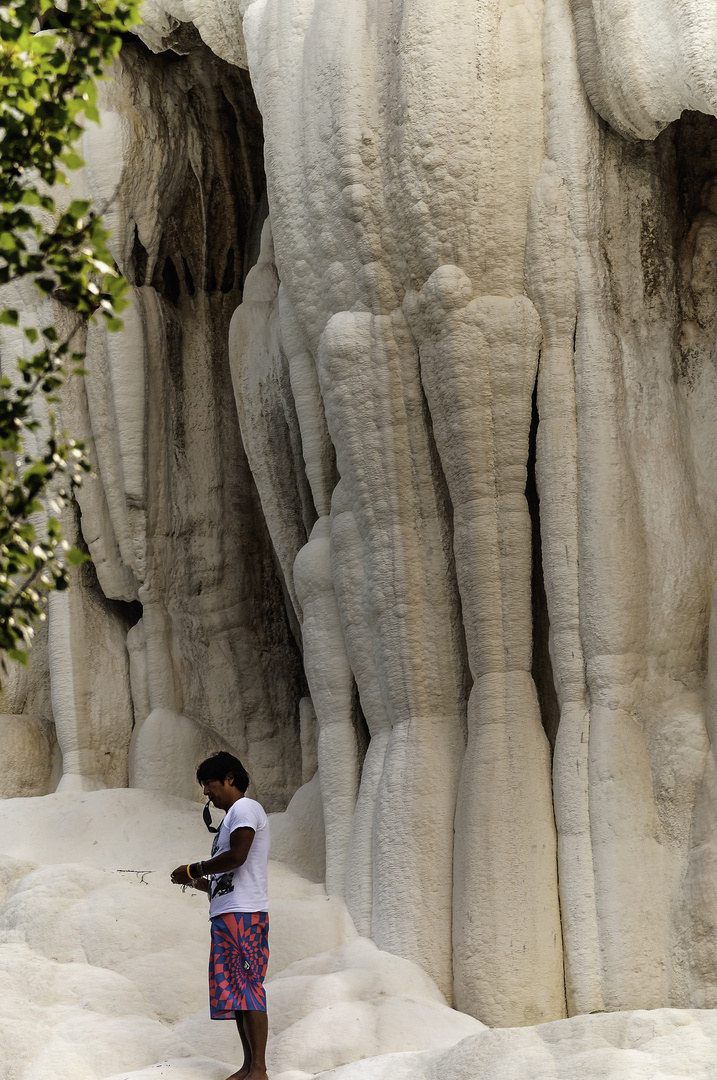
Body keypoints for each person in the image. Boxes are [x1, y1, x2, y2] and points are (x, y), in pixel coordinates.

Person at [171, 752, 270, 1080]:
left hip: (244, 914)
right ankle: (247, 1065)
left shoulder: (244, 807)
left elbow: (238, 857)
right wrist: (196, 881)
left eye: (209, 784)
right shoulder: (230, 819)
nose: (206, 792)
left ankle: (259, 1069)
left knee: (249, 986)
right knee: (239, 992)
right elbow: (227, 877)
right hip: (229, 914)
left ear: (229, 778)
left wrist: (193, 867)